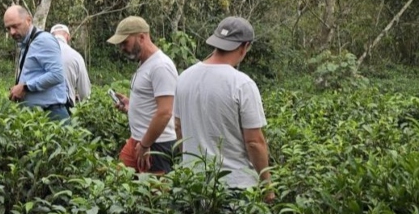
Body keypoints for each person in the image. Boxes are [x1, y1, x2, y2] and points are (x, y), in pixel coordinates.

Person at [174, 17, 272, 199]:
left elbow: (178, 128)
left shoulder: (184, 78)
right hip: (236, 186)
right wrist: (268, 186)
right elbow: (254, 142)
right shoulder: (242, 84)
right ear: (245, 47)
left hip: (194, 185)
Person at [107, 16, 178, 174]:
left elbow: (165, 112)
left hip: (155, 145)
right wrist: (130, 105)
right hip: (137, 140)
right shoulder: (145, 63)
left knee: (154, 195)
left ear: (141, 37)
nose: (122, 48)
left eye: (125, 43)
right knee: (118, 183)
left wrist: (145, 145)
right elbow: (152, 103)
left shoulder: (161, 66)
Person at [3, 5, 70, 122]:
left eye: (15, 26)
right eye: (8, 28)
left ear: (28, 20)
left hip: (52, 115)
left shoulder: (44, 40)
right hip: (36, 116)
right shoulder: (27, 43)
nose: (12, 32)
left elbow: (57, 75)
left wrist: (25, 87)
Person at [50, 24, 92, 106]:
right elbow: (85, 92)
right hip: (65, 106)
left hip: (40, 108)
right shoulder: (76, 56)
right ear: (68, 37)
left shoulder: (40, 53)